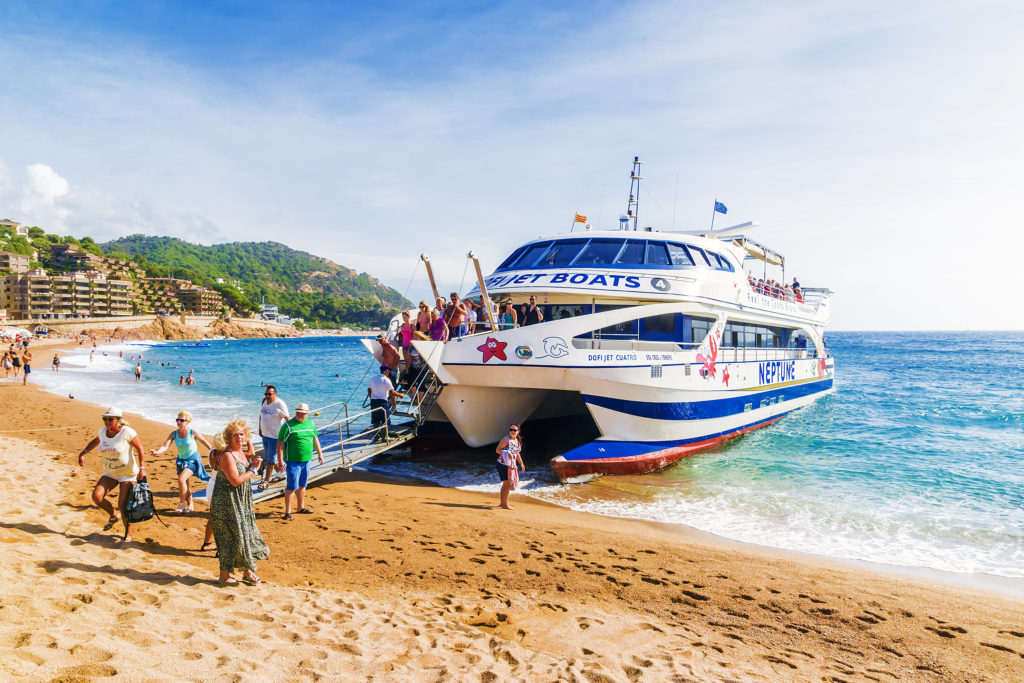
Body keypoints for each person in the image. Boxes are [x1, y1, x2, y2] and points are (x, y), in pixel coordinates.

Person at [210, 419, 268, 584]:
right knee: (231, 538)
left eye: (242, 434)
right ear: (229, 437)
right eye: (235, 435)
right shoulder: (227, 455)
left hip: (240, 500)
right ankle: (224, 576)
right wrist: (253, 469)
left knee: (245, 534)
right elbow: (235, 481)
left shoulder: (240, 453)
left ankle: (247, 571)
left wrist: (253, 465)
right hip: (227, 502)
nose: (239, 438)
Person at [77, 407, 146, 543]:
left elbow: (140, 448)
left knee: (123, 505)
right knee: (96, 496)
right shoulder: (103, 432)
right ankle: (114, 515)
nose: (107, 421)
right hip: (110, 472)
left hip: (127, 474)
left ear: (118, 420)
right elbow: (95, 441)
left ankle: (128, 533)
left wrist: (142, 468)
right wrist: (83, 453)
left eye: (110, 419)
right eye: (105, 419)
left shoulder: (127, 432)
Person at [149, 411, 213, 513]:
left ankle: (181, 504)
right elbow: (165, 446)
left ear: (187, 422)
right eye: (177, 420)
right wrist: (157, 452)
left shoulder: (192, 432)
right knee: (185, 483)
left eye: (181, 420)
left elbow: (204, 441)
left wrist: (213, 452)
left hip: (193, 461)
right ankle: (190, 503)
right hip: (181, 461)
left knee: (181, 479)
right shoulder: (174, 434)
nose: (179, 422)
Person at [277, 403, 324, 520]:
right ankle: (287, 512)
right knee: (291, 486)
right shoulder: (287, 426)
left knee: (303, 485)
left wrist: (320, 453)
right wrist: (280, 460)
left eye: (303, 413)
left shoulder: (311, 423)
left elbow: (315, 438)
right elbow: (280, 445)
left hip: (307, 461)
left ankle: (300, 507)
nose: (300, 415)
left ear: (307, 413)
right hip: (292, 461)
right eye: (298, 412)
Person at [257, 385, 289, 491]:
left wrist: (289, 434)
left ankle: (266, 481)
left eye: (269, 394)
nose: (267, 396)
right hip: (265, 435)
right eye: (265, 394)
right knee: (271, 457)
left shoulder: (280, 404)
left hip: (275, 437)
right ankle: (281, 474)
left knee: (270, 460)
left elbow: (287, 419)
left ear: (275, 394)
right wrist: (260, 428)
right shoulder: (264, 401)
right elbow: (261, 415)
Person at [200, 433, 227, 552]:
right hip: (221, 487)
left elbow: (213, 466)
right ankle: (221, 548)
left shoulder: (212, 452)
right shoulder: (226, 455)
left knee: (213, 516)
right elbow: (250, 454)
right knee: (224, 519)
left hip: (211, 486)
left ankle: (207, 543)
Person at [368, 365, 405, 443]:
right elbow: (392, 392)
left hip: (374, 402)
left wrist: (371, 398)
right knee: (385, 420)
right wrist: (400, 395)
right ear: (385, 371)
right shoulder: (386, 379)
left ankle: (376, 437)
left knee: (375, 420)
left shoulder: (373, 378)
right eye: (388, 371)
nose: (388, 372)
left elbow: (369, 389)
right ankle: (385, 437)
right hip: (382, 402)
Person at [494, 424, 525, 510]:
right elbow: (497, 450)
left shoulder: (517, 441)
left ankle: (502, 503)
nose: (512, 431)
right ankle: (504, 504)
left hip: (510, 465)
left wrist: (521, 464)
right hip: (503, 464)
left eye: (514, 430)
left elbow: (517, 453)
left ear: (518, 431)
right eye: (511, 429)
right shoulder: (506, 439)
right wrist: (506, 453)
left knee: (507, 484)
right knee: (506, 484)